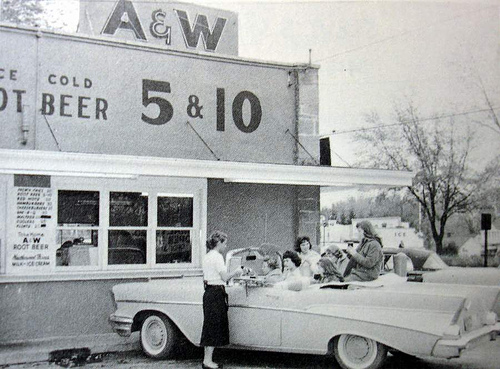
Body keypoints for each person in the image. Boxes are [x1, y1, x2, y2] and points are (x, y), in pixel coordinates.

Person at [200, 231, 244, 369]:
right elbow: (225, 277)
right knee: (213, 326)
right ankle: (207, 361)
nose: (226, 246)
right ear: (219, 243)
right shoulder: (217, 257)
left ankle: (207, 359)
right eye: (225, 243)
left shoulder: (207, 256)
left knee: (210, 325)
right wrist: (236, 272)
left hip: (209, 291)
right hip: (216, 292)